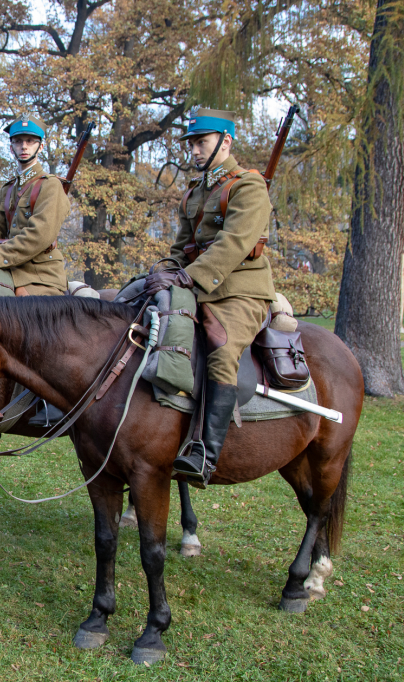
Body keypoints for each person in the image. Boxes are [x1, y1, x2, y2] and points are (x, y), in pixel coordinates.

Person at [143, 107, 276, 487]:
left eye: (201, 142)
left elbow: (233, 244)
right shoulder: (195, 193)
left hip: (239, 290)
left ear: (225, 141)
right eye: (192, 144)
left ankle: (204, 452)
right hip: (193, 285)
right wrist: (163, 271)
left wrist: (187, 277)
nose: (195, 151)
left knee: (221, 350)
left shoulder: (248, 186)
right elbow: (181, 246)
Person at [0, 113, 69, 297]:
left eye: (30, 141)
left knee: (4, 307)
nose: (24, 146)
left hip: (40, 274)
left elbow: (39, 235)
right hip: (7, 270)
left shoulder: (50, 185)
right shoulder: (7, 190)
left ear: (41, 146)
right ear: (11, 146)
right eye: (18, 141)